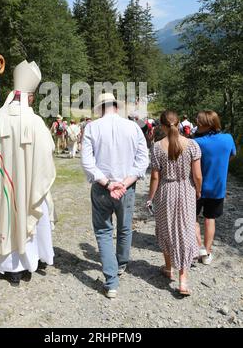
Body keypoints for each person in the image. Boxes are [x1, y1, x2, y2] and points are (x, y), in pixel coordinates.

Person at [0, 60, 56, 286]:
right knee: (30, 213)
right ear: (29, 97)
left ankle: (11, 269)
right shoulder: (36, 122)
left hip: (2, 185)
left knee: (5, 216)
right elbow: (48, 152)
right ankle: (31, 260)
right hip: (28, 186)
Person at [81, 93, 149, 299]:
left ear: (101, 108)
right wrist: (125, 183)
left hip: (103, 187)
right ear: (116, 108)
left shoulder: (92, 127)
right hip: (126, 187)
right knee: (125, 228)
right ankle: (120, 264)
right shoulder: (133, 127)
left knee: (103, 231)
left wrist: (109, 183)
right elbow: (143, 160)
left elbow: (87, 162)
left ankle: (111, 281)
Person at [147, 110, 202, 296]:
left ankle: (169, 268)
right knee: (185, 231)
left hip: (166, 192)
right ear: (179, 123)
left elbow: (155, 177)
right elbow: (197, 175)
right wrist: (198, 190)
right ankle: (183, 280)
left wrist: (150, 197)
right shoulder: (192, 145)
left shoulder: (156, 147)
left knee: (166, 229)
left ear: (162, 126)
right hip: (186, 190)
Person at [194, 110, 236, 265]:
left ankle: (198, 248)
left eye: (199, 122)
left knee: (193, 219)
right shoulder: (228, 138)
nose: (197, 124)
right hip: (218, 187)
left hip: (197, 188)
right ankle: (207, 253)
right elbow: (232, 155)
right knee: (210, 219)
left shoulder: (198, 142)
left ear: (208, 124)